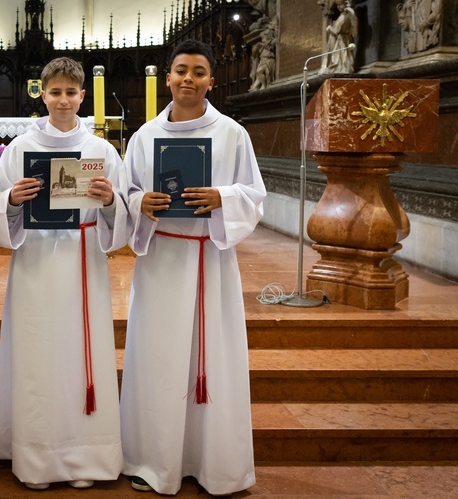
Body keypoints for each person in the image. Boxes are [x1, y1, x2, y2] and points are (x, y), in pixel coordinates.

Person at [119, 39, 266, 496]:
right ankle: (152, 461)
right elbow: (126, 193)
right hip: (162, 260)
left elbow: (254, 195)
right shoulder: (145, 137)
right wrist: (142, 201)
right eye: (181, 70)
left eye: (198, 72)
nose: (189, 79)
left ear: (211, 80)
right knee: (158, 359)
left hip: (211, 261)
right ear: (168, 78)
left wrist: (224, 197)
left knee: (214, 361)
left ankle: (216, 466)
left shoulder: (232, 134)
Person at [0, 57, 127, 490]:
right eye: (55, 92)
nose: (63, 100)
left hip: (83, 260)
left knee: (81, 353)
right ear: (41, 94)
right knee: (37, 354)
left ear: (82, 96)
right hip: (34, 263)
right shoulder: (19, 149)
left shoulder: (102, 151)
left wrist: (108, 202)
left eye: (71, 92)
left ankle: (87, 457)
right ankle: (37, 458)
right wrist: (11, 198)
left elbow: (121, 213)